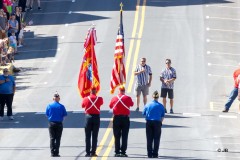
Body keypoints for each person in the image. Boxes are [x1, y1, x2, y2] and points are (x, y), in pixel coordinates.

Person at [109, 86, 134, 157]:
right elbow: (132, 104)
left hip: (116, 118)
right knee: (124, 135)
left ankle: (117, 151)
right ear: (124, 91)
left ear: (119, 91)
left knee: (116, 135)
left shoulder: (114, 98)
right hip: (125, 118)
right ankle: (123, 151)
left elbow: (110, 106)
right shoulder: (128, 98)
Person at [81, 87, 103, 157]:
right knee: (95, 136)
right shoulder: (99, 99)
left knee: (87, 136)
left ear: (90, 91)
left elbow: (82, 106)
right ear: (96, 91)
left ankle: (87, 152)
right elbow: (101, 103)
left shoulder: (85, 98)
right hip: (96, 117)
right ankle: (93, 152)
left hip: (88, 117)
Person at [143, 90, 165, 158]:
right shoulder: (161, 106)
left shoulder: (148, 104)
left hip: (149, 122)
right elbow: (162, 116)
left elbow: (144, 114)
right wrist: (160, 122)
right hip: (157, 122)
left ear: (152, 97)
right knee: (156, 138)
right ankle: (155, 154)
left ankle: (149, 154)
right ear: (158, 97)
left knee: (149, 139)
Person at [45, 93, 67, 157]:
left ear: (53, 99)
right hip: (59, 123)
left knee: (52, 138)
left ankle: (52, 153)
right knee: (58, 138)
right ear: (59, 99)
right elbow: (64, 115)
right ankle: (56, 152)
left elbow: (47, 114)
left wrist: (51, 118)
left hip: (51, 123)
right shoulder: (61, 106)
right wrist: (61, 121)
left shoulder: (49, 105)